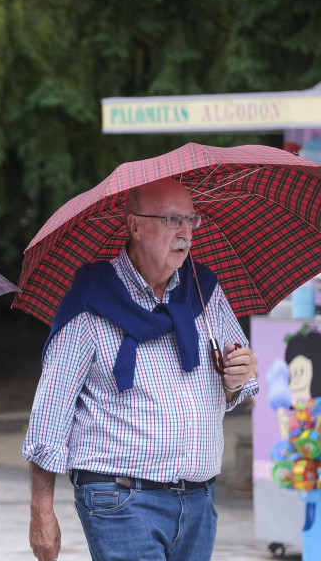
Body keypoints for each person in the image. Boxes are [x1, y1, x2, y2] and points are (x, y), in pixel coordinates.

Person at [24, 177, 258, 561]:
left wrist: (238, 375)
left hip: (198, 499)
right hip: (121, 498)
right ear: (134, 225)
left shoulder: (204, 291)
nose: (185, 232)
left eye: (191, 220)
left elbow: (237, 383)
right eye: (171, 220)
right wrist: (41, 507)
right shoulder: (90, 300)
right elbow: (51, 409)